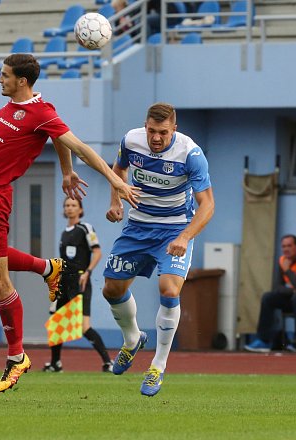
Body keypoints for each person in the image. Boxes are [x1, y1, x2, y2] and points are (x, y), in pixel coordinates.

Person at [0, 53, 139, 394]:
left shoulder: (42, 112)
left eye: (5, 75)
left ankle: (16, 356)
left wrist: (115, 180)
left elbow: (79, 146)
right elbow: (57, 142)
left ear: (22, 81)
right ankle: (48, 269)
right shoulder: (18, 109)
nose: (0, 80)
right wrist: (66, 171)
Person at [101, 102, 215, 397]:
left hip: (174, 230)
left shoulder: (191, 153)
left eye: (163, 132)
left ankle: (157, 366)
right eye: (151, 131)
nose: (155, 138)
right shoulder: (131, 140)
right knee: (111, 289)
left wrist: (185, 236)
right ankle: (132, 339)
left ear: (173, 129)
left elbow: (208, 204)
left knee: (169, 289)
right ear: (145, 126)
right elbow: (118, 170)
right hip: (138, 227)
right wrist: (115, 201)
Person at [43, 197, 113, 373]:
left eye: (73, 205)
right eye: (67, 205)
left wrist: (88, 271)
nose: (70, 208)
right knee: (56, 322)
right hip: (63, 282)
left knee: (84, 326)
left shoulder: (85, 228)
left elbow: (97, 252)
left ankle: (108, 362)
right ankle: (55, 364)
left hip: (80, 281)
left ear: (80, 210)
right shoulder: (64, 232)